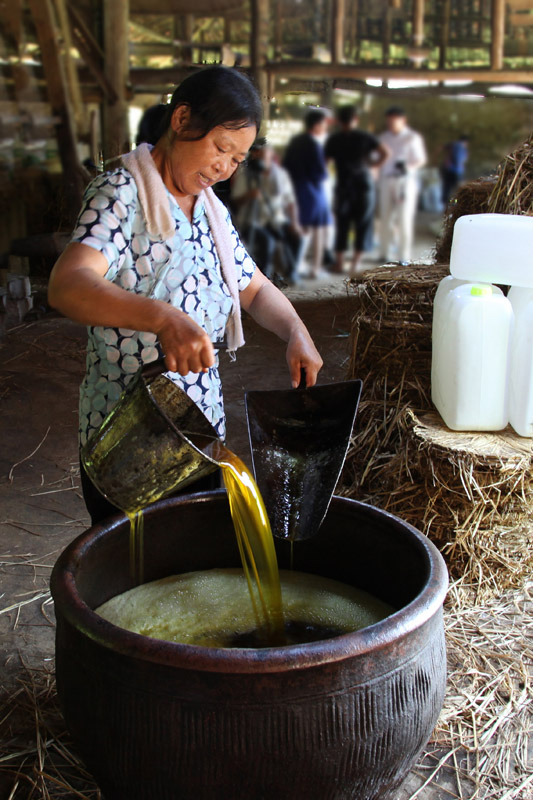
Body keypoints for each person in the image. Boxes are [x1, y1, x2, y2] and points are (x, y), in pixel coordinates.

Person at [48, 66, 323, 524]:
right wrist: (162, 317)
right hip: (128, 433)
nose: (224, 167)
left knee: (191, 576)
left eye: (237, 159)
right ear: (182, 121)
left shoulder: (210, 209)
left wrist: (295, 329)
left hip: (198, 433)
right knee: (136, 577)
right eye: (220, 147)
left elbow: (253, 288)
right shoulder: (122, 194)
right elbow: (68, 284)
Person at [325, 105, 389, 277]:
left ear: (339, 121)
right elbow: (385, 153)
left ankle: (339, 264)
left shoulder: (335, 139)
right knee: (363, 224)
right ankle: (355, 265)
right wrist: (373, 166)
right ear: (356, 120)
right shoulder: (365, 137)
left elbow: (325, 161)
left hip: (344, 185)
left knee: (342, 225)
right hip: (363, 184)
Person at [232, 138, 304, 284]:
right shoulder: (246, 175)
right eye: (258, 154)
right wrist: (249, 195)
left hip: (275, 219)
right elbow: (235, 202)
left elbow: (290, 202)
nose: (261, 156)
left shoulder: (280, 174)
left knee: (297, 238)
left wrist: (295, 223)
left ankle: (291, 273)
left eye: (265, 153)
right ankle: (265, 280)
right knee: (268, 242)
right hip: (251, 221)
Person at [283, 109, 332, 278]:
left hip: (295, 189)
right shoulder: (314, 145)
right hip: (313, 191)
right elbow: (321, 173)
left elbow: (285, 166)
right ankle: (315, 269)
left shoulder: (296, 141)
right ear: (317, 125)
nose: (325, 127)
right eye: (324, 124)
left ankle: (296, 266)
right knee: (317, 229)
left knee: (302, 229)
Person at [378, 106, 427, 265]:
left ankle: (403, 256)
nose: (391, 124)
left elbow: (420, 159)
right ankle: (384, 253)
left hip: (405, 182)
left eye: (394, 121)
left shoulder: (412, 138)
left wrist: (408, 167)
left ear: (402, 120)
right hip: (387, 180)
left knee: (404, 218)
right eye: (389, 121)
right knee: (385, 217)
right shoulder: (383, 137)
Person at [441, 134, 469, 206]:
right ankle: (454, 202)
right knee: (456, 188)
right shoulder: (460, 147)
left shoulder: (453, 145)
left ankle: (445, 202)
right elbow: (458, 159)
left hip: (448, 169)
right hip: (456, 171)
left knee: (447, 187)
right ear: (465, 142)